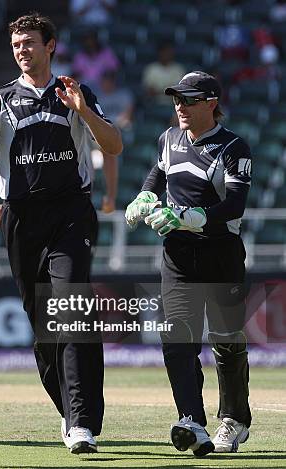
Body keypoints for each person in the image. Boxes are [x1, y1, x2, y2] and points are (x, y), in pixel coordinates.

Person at [0, 13, 122, 454]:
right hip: (22, 220)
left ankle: (82, 421)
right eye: (16, 45)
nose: (22, 50)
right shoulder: (1, 99)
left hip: (70, 215)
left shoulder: (74, 93)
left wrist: (83, 111)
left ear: (51, 46)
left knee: (71, 309)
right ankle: (69, 411)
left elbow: (114, 145)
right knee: (43, 326)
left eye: (30, 42)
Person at [125, 71, 253, 456]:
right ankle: (192, 421)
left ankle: (234, 419)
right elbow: (156, 176)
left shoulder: (234, 147)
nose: (180, 106)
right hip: (177, 257)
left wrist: (188, 216)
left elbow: (234, 205)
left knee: (226, 340)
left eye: (190, 99)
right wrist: (144, 198)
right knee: (176, 339)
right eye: (177, 99)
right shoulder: (168, 139)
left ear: (212, 103)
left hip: (221, 255)